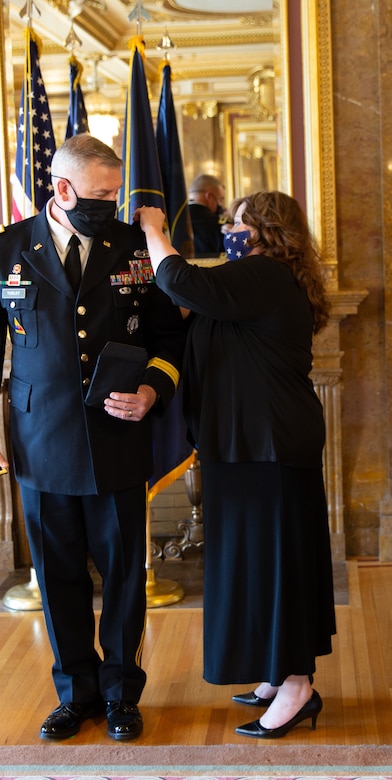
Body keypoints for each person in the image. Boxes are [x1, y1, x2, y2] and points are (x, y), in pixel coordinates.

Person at [0, 133, 186, 742]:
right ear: (61, 189)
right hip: (41, 441)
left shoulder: (135, 248)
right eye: (101, 195)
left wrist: (152, 392)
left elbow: (171, 339)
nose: (111, 205)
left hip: (117, 437)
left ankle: (119, 695)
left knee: (123, 578)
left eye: (115, 194)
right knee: (56, 578)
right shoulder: (3, 250)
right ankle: (75, 694)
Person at [136, 191, 336, 739]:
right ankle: (278, 674)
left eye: (237, 222)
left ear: (265, 230)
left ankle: (297, 687)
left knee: (279, 565)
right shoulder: (251, 280)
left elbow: (182, 281)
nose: (229, 230)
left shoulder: (266, 275)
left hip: (270, 444)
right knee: (257, 562)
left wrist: (155, 231)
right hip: (246, 445)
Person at [188, 173, 227, 257]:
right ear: (209, 197)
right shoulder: (221, 224)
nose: (221, 205)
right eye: (220, 199)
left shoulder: (173, 220)